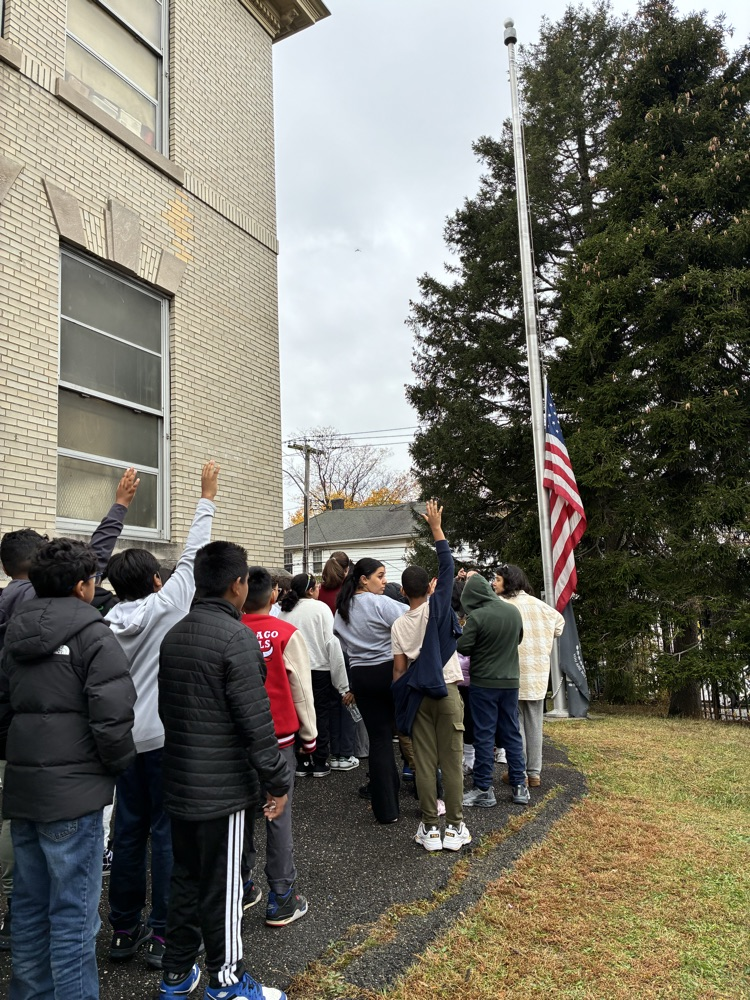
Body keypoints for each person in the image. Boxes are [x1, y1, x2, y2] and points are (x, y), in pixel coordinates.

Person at [0, 467, 140, 949]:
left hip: (24, 765)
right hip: (74, 778)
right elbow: (111, 714)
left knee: (32, 893)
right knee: (73, 916)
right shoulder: (78, 625)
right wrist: (114, 766)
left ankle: (15, 928)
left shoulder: (15, 611)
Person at [157, 542, 291, 1000]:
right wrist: (277, 780)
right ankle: (227, 981)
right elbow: (256, 722)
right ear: (238, 584)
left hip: (179, 780)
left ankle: (176, 974)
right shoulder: (236, 639)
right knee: (225, 885)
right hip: (224, 789)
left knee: (187, 878)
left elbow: (167, 710)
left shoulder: (175, 635)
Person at [104, 461, 219, 969]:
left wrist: (120, 506)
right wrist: (206, 496)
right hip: (166, 741)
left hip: (121, 742)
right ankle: (161, 936)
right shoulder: (166, 606)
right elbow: (194, 555)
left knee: (125, 833)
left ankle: (122, 930)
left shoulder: (102, 622)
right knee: (167, 835)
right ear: (156, 579)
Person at [391, 501, 470, 852]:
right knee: (451, 762)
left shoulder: (398, 623)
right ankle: (454, 828)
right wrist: (436, 528)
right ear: (431, 587)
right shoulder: (438, 608)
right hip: (449, 691)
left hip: (418, 695)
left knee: (424, 763)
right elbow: (449, 564)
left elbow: (399, 670)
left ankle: (429, 828)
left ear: (404, 591)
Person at [241, 566, 315, 927]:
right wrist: (310, 734)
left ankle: (241, 885)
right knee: (277, 813)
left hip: (239, 742)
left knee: (242, 813)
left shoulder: (231, 632)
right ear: (273, 594)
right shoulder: (285, 633)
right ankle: (282, 895)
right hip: (279, 739)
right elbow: (301, 688)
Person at [334, 559, 406, 824]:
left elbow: (341, 640)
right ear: (364, 579)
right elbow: (412, 618)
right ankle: (427, 793)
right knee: (406, 733)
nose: (384, 581)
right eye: (380, 575)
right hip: (389, 669)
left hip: (360, 675)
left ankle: (386, 809)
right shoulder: (381, 603)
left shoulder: (342, 608)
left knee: (379, 740)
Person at [457, 574, 530, 807]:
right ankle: (520, 786)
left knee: (484, 735)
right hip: (510, 682)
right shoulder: (513, 612)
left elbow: (463, 647)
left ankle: (483, 788)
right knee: (512, 733)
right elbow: (518, 639)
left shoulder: (477, 617)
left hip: (484, 683)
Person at [494, 564, 564, 788]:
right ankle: (534, 773)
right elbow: (559, 625)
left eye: (497, 579)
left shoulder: (502, 605)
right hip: (538, 673)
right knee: (535, 724)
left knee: (516, 726)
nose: (493, 583)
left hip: (512, 672)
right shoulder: (541, 606)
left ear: (508, 582)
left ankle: (519, 772)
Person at [279, 574, 353, 776]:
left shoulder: (284, 611)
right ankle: (320, 760)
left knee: (298, 714)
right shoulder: (320, 608)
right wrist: (342, 684)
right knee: (320, 714)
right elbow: (332, 643)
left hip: (293, 670)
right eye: (317, 585)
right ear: (310, 590)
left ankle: (301, 760)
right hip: (320, 669)